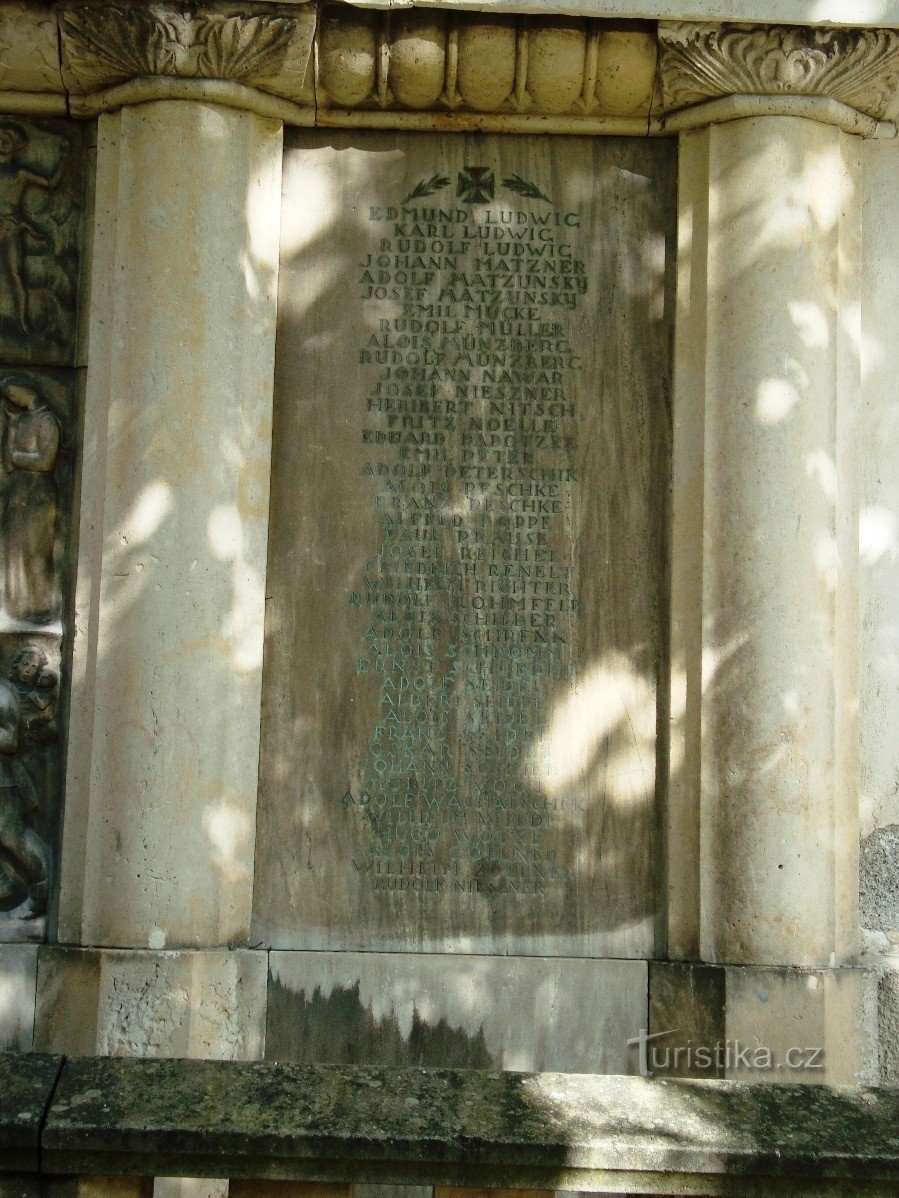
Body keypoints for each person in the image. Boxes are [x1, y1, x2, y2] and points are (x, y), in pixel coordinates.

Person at [0, 373, 60, 622]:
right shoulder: (21, 422)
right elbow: (7, 463)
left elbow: (46, 462)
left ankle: (40, 608)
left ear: (28, 389)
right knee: (15, 552)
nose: (12, 399)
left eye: (14, 393)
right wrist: (12, 429)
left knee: (37, 551)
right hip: (18, 494)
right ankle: (18, 607)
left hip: (39, 496)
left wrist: (17, 458)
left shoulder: (47, 421)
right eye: (8, 396)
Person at [0, 123, 67, 335]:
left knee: (16, 275)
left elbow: (52, 183)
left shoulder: (21, 174)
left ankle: (23, 323)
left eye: (7, 140)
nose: (1, 144)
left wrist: (65, 155)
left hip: (11, 230)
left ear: (16, 146)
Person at [0, 644, 50, 918]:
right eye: (25, 665)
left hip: (2, 781)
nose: (29, 671)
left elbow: (10, 739)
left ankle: (45, 883)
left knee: (11, 837)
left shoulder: (3, 694)